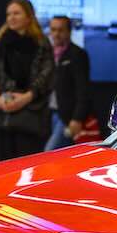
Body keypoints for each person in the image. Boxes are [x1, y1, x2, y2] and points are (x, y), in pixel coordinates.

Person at [0, 0, 53, 161]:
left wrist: (26, 97)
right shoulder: (0, 43)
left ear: (29, 17)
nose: (11, 18)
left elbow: (47, 75)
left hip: (31, 113)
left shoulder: (41, 43)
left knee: (27, 164)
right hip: (1, 114)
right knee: (0, 166)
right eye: (8, 14)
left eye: (16, 13)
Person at [44, 14, 92, 150]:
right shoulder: (47, 54)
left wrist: (77, 118)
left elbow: (84, 89)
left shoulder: (77, 54)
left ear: (69, 31)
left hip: (66, 116)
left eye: (60, 30)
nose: (56, 34)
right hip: (49, 114)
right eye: (53, 30)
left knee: (49, 153)